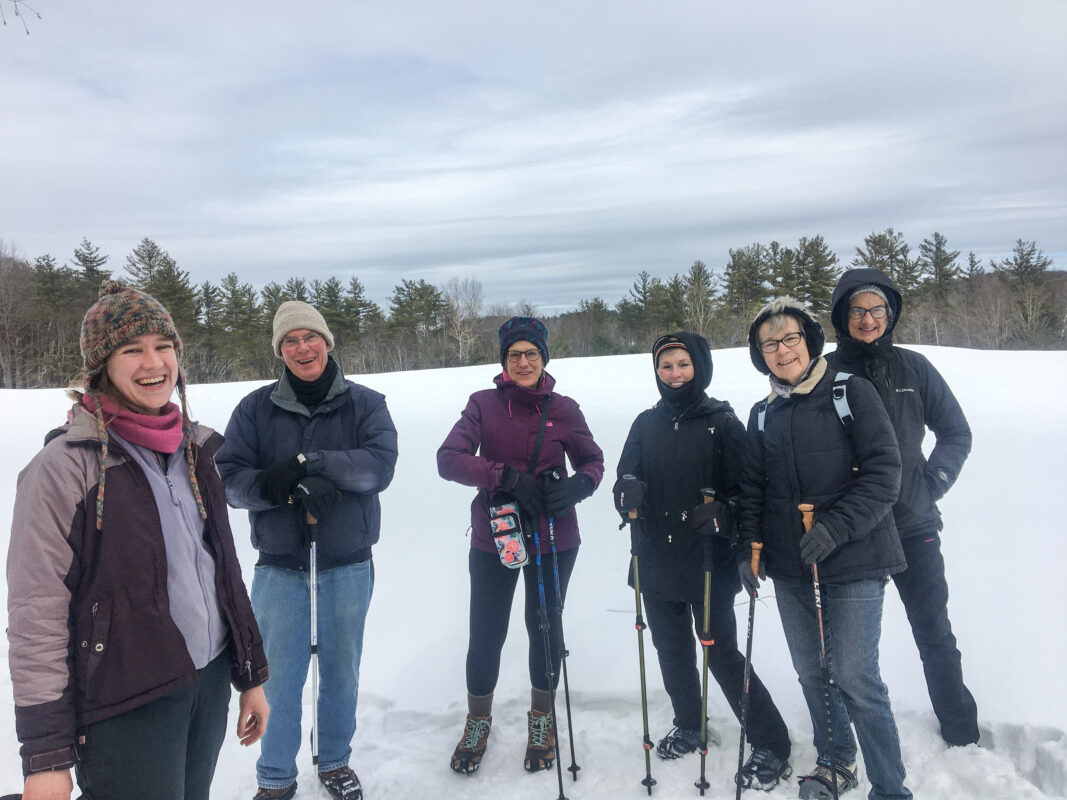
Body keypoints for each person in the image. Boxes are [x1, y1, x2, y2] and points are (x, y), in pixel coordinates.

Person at [7, 281, 269, 800]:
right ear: (101, 364)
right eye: (132, 349)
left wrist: (250, 674)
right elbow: (36, 615)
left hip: (208, 679)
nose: (154, 363)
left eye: (163, 346)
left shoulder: (195, 448)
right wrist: (47, 756)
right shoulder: (63, 470)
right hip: (126, 702)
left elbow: (223, 571)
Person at [216, 301, 398, 800]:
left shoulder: (366, 403)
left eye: (309, 337)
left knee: (341, 673)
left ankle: (335, 760)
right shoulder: (255, 409)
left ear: (327, 342)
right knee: (278, 678)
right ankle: (276, 776)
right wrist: (282, 485)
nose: (302, 348)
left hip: (347, 563)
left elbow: (378, 467)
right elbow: (229, 482)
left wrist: (313, 462)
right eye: (290, 341)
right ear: (279, 351)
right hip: (281, 566)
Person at [739, 297, 912, 800]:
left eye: (790, 338)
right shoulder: (763, 413)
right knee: (813, 673)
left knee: (856, 677)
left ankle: (890, 787)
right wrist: (750, 548)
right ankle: (836, 762)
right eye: (770, 343)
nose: (782, 350)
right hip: (793, 567)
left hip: (855, 558)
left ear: (809, 341)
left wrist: (835, 528)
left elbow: (885, 475)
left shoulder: (848, 391)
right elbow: (753, 488)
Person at [613, 331, 793, 789]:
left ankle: (771, 740)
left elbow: (749, 488)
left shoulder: (722, 422)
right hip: (655, 556)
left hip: (708, 559)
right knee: (670, 650)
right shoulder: (645, 423)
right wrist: (626, 492)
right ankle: (690, 723)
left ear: (700, 367)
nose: (674, 374)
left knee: (720, 654)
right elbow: (626, 474)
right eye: (666, 366)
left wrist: (726, 513)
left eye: (682, 364)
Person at [437, 316, 604, 776]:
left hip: (554, 536)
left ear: (544, 358)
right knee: (486, 633)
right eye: (515, 355)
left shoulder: (564, 408)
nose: (524, 361)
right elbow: (447, 460)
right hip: (496, 536)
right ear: (504, 362)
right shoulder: (483, 404)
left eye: (531, 353)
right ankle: (477, 720)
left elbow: (592, 461)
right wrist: (505, 477)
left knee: (545, 627)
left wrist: (576, 488)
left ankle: (541, 718)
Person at [826, 268, 978, 747]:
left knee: (935, 633)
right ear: (841, 316)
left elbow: (956, 432)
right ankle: (844, 735)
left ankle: (961, 731)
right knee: (844, 648)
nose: (868, 319)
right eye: (857, 310)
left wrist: (931, 482)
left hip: (913, 523)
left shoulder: (914, 368)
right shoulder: (826, 373)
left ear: (890, 314)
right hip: (852, 530)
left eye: (877, 310)